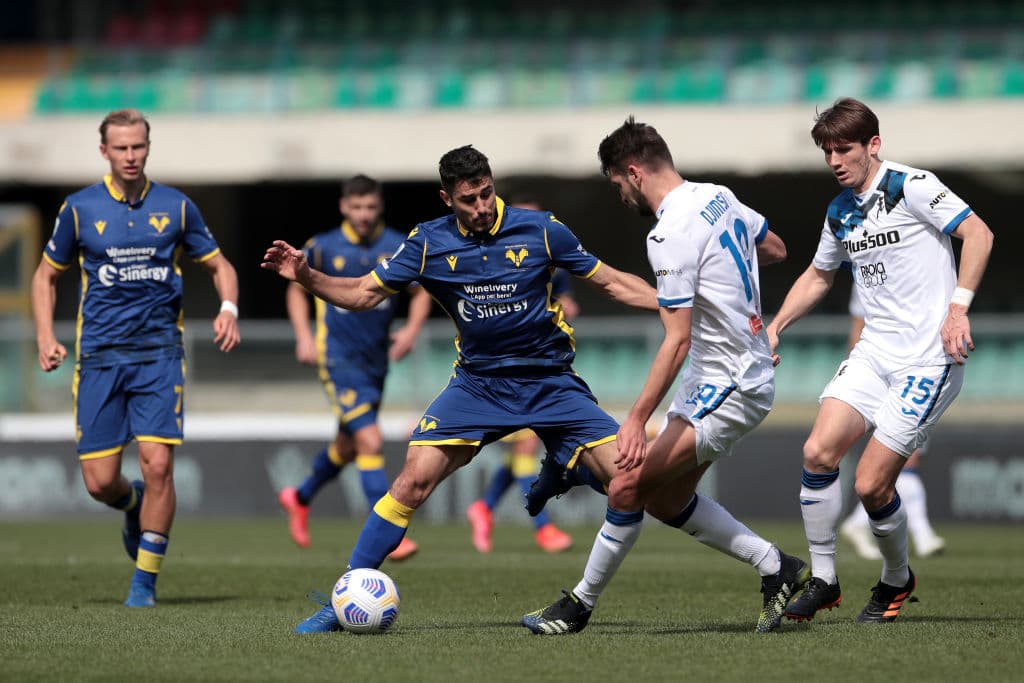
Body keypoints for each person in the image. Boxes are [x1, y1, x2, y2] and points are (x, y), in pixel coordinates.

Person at [262, 144, 663, 633]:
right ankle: (343, 598)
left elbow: (612, 283)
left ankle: (572, 470)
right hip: (479, 386)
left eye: (487, 194)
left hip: (550, 382)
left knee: (634, 480)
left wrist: (677, 305)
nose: (481, 207)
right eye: (468, 200)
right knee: (411, 481)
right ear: (446, 198)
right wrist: (306, 275)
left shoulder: (540, 228)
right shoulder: (428, 242)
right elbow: (364, 293)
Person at [521, 116, 806, 636]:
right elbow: (775, 249)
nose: (620, 195)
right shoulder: (717, 195)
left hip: (729, 383)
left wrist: (635, 420)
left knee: (626, 487)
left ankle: (579, 605)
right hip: (723, 375)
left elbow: (674, 339)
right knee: (664, 499)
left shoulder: (669, 231)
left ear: (633, 172)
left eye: (616, 185)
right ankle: (776, 567)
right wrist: (745, 316)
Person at [766, 97, 993, 624]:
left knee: (871, 485)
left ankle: (896, 578)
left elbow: (978, 233)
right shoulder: (839, 210)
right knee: (818, 450)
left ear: (874, 144)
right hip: (875, 351)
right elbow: (820, 275)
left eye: (844, 149)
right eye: (827, 151)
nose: (835, 161)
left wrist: (958, 309)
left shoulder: (912, 185)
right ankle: (824, 579)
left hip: (928, 359)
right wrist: (776, 326)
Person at [30, 109, 241, 608]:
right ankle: (132, 505)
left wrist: (228, 309)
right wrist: (44, 335)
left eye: (138, 147)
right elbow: (45, 277)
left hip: (158, 355)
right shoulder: (79, 209)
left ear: (149, 146)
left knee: (159, 464)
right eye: (121, 148)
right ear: (104, 151)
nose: (131, 156)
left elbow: (220, 265)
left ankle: (143, 584)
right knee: (100, 482)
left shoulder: (177, 206)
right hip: (100, 357)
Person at [275, 175, 431, 560]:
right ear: (344, 207)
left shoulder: (396, 244)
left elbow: (422, 290)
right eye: (357, 207)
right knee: (370, 440)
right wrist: (303, 335)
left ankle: (299, 495)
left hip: (375, 360)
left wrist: (411, 330)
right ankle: (388, 528)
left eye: (371, 208)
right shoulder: (324, 246)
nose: (364, 215)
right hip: (337, 358)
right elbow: (295, 286)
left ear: (380, 208)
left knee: (347, 446)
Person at [465, 195, 575, 554]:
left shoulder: (546, 259)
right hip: (507, 369)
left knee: (520, 456)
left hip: (540, 362)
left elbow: (566, 301)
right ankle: (543, 528)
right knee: (527, 448)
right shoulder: (494, 261)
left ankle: (483, 508)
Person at [839, 287, 946, 560]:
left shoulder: (920, 270)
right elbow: (858, 332)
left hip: (920, 371)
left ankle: (858, 523)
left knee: (895, 469)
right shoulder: (867, 272)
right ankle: (922, 535)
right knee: (904, 462)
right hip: (888, 376)